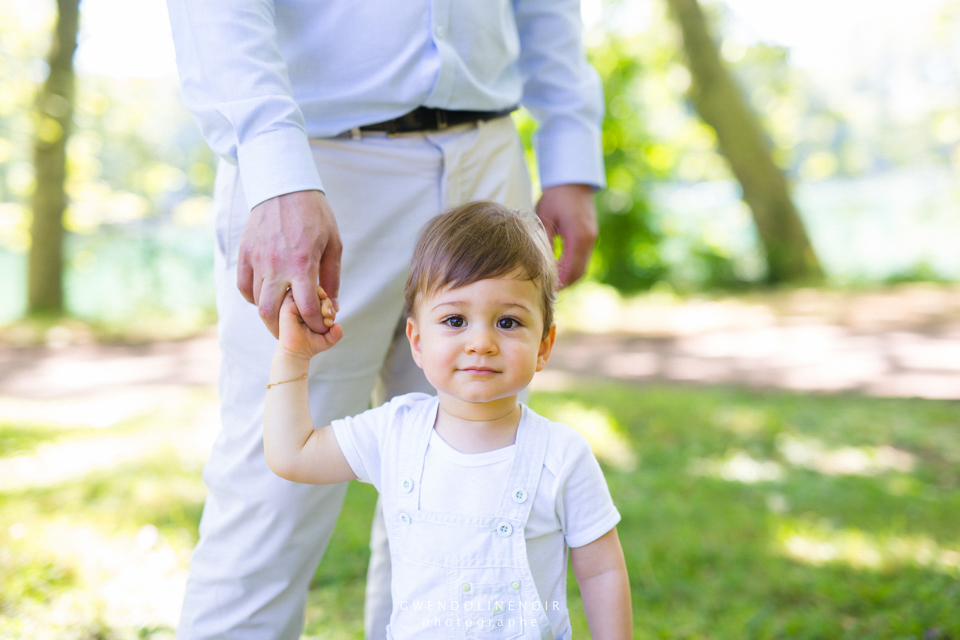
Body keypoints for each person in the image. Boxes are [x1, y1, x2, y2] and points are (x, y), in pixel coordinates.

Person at [165, 1, 606, 638]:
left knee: (464, 493)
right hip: (318, 165)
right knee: (269, 507)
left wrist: (569, 147)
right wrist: (275, 171)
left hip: (488, 157)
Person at [264, 202, 631, 640]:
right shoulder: (394, 433)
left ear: (544, 346)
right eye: (455, 320)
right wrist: (292, 356)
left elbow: (602, 572)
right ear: (417, 341)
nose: (481, 342)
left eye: (508, 322)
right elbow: (292, 454)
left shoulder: (562, 456)